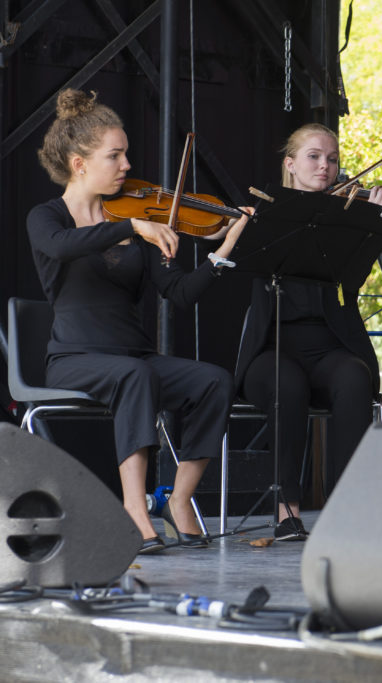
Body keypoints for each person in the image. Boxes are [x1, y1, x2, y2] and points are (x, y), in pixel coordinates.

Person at [28, 89, 251, 554]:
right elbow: (64, 247)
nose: (128, 165)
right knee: (134, 375)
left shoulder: (136, 217)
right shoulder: (48, 217)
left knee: (213, 381)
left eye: (126, 153)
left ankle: (180, 500)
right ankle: (134, 507)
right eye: (116, 155)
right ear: (79, 164)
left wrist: (224, 249)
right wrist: (133, 228)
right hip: (75, 358)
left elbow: (181, 294)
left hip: (135, 357)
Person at [234, 123, 382, 540]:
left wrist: (369, 224)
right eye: (315, 157)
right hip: (273, 350)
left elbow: (350, 284)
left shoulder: (344, 219)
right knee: (288, 385)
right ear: (290, 164)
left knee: (355, 376)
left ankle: (346, 504)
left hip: (328, 347)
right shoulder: (268, 214)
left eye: (333, 158)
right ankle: (288, 511)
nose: (326, 166)